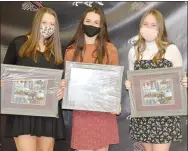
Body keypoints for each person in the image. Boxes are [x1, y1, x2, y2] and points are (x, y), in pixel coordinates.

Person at [1, 7, 66, 151]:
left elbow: (60, 80)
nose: (47, 27)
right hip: (22, 112)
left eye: (52, 25)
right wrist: (3, 84)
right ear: (36, 22)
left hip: (48, 112)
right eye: (44, 22)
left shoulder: (57, 49)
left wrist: (62, 89)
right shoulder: (19, 43)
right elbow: (5, 74)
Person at [125, 10, 187, 151]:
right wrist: (130, 86)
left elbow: (180, 79)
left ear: (160, 28)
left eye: (153, 25)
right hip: (143, 114)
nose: (149, 28)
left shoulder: (171, 49)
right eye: (145, 24)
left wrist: (184, 82)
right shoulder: (134, 52)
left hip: (165, 115)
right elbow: (132, 80)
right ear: (140, 27)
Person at [64, 7, 121, 151]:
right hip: (82, 113)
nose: (92, 25)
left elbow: (115, 82)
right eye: (88, 21)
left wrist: (116, 102)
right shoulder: (71, 51)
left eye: (96, 22)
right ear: (82, 23)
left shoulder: (110, 49)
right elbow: (69, 84)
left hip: (104, 113)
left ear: (101, 26)